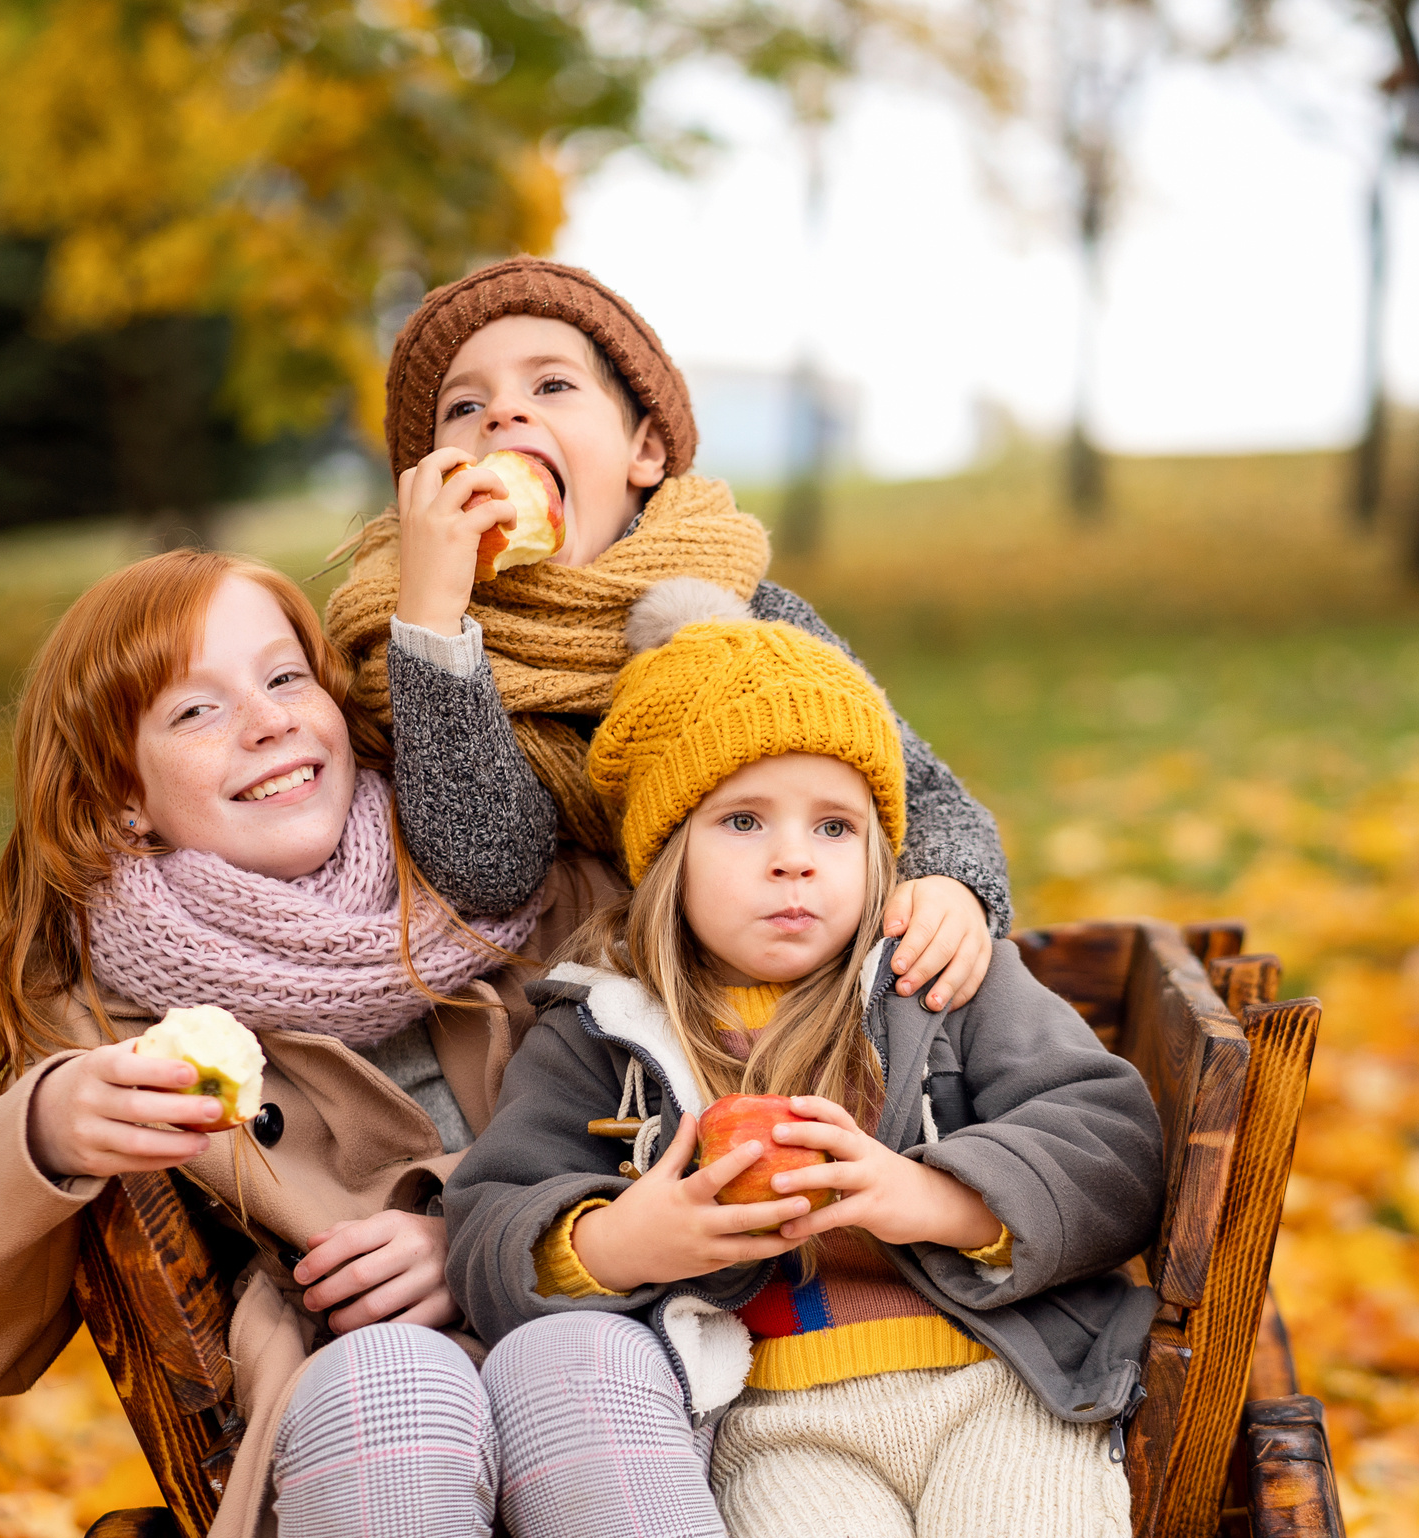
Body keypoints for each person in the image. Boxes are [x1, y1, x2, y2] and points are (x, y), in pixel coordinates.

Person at [0, 551, 753, 1538]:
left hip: (608, 1324)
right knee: (388, 1384)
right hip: (363, 1429)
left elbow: (693, 1069)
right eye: (196, 709)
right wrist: (40, 1131)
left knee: (577, 1360)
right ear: (120, 799)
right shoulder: (115, 1018)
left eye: (285, 680)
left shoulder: (503, 876)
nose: (264, 725)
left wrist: (481, 1229)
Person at [443, 580, 1168, 1538]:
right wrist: (628, 1239)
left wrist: (931, 1197)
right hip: (780, 1430)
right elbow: (488, 1225)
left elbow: (1110, 1139)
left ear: (882, 844)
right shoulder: (602, 1029)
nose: (795, 859)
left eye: (835, 826)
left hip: (1001, 1393)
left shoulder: (940, 979)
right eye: (743, 821)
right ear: (665, 854)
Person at [324, 256, 1010, 1017]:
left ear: (643, 452)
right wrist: (433, 618)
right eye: (463, 406)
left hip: (791, 1010)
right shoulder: (409, 651)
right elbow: (488, 868)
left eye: (551, 385)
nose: (502, 415)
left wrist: (953, 884)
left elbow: (931, 800)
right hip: (576, 1048)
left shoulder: (742, 617)